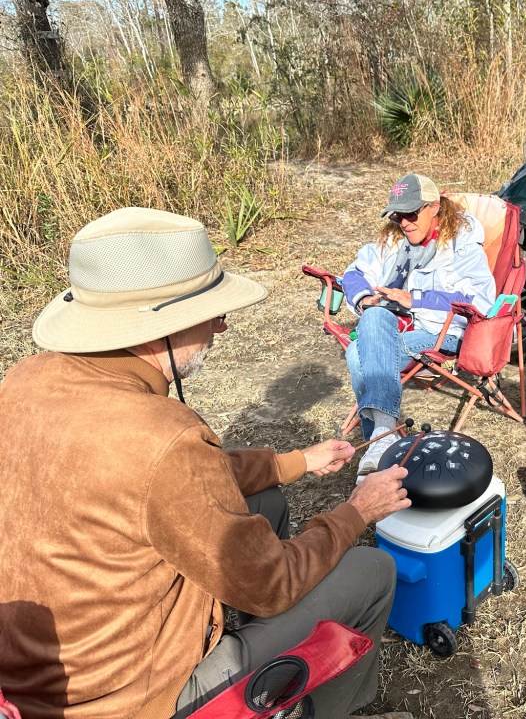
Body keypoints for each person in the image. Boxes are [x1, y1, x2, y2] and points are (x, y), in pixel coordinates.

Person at [0, 207, 413, 719]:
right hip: (136, 700)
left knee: (265, 501)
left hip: (40, 675)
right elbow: (271, 582)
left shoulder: (25, 379)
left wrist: (295, 462)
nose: (222, 324)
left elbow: (174, 481)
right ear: (158, 328)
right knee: (371, 570)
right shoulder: (162, 435)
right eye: (210, 312)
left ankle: (261, 654)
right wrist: (356, 512)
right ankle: (329, 707)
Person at [341, 173, 495, 480]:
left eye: (411, 214)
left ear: (434, 207)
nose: (404, 223)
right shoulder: (393, 240)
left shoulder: (461, 245)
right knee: (373, 317)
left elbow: (481, 300)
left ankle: (380, 438)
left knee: (358, 354)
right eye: (397, 216)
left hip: (443, 333)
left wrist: (416, 299)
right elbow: (354, 273)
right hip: (397, 328)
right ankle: (383, 437)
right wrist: (364, 300)